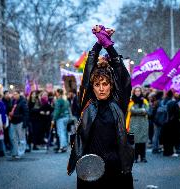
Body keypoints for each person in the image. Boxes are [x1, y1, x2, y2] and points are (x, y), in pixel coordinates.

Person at [67, 25, 134, 189]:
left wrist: (108, 45)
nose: (101, 88)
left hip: (117, 169)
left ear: (111, 86)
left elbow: (123, 76)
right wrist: (98, 44)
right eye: (97, 84)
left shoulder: (118, 104)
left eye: (105, 84)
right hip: (90, 169)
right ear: (93, 87)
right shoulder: (87, 103)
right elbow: (87, 75)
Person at [127, 87, 149, 163]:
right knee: (135, 142)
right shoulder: (131, 101)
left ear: (141, 92)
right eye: (136, 91)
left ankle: (143, 157)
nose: (137, 92)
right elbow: (131, 111)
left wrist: (136, 111)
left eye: (139, 91)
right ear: (134, 92)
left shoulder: (144, 101)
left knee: (143, 141)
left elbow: (147, 111)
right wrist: (141, 110)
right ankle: (135, 157)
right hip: (134, 124)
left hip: (143, 123)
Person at [9, 91, 29, 159]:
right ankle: (15, 152)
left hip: (20, 121)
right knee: (13, 138)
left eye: (15, 94)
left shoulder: (23, 102)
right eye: (13, 94)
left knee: (21, 138)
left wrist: (25, 123)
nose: (14, 95)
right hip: (13, 121)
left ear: (18, 94)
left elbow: (26, 113)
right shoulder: (13, 101)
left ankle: (20, 153)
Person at [52, 89, 70, 153]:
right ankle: (64, 146)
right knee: (64, 132)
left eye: (56, 92)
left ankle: (62, 147)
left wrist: (53, 119)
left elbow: (57, 111)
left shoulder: (58, 100)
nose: (55, 94)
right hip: (66, 117)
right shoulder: (65, 100)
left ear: (58, 93)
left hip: (60, 118)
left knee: (61, 132)